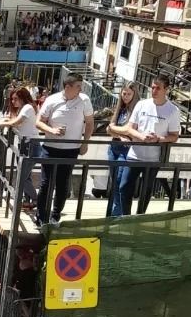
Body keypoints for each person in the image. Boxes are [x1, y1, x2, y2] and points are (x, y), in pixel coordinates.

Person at [110, 74, 181, 215]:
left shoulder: (173, 110)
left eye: (158, 88)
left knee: (146, 191)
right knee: (124, 187)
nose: (154, 91)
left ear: (166, 89)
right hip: (134, 154)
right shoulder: (142, 104)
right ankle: (126, 217)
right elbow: (130, 128)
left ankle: (139, 216)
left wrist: (159, 139)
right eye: (152, 88)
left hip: (153, 158)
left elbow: (174, 136)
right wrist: (141, 136)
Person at [34, 72, 94, 227]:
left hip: (71, 149)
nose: (81, 90)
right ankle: (41, 216)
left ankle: (55, 216)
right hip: (50, 148)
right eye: (78, 87)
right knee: (46, 183)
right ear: (68, 87)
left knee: (63, 184)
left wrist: (85, 143)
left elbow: (89, 123)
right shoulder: (52, 99)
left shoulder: (84, 100)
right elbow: (39, 122)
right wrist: (51, 130)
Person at [106, 84, 139, 217]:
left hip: (127, 150)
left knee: (121, 184)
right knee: (114, 183)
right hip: (114, 148)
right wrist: (120, 134)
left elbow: (129, 131)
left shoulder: (136, 110)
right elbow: (109, 129)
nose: (125, 97)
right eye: (124, 94)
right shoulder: (120, 108)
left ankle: (118, 215)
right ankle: (114, 214)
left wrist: (117, 130)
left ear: (134, 94)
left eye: (128, 94)